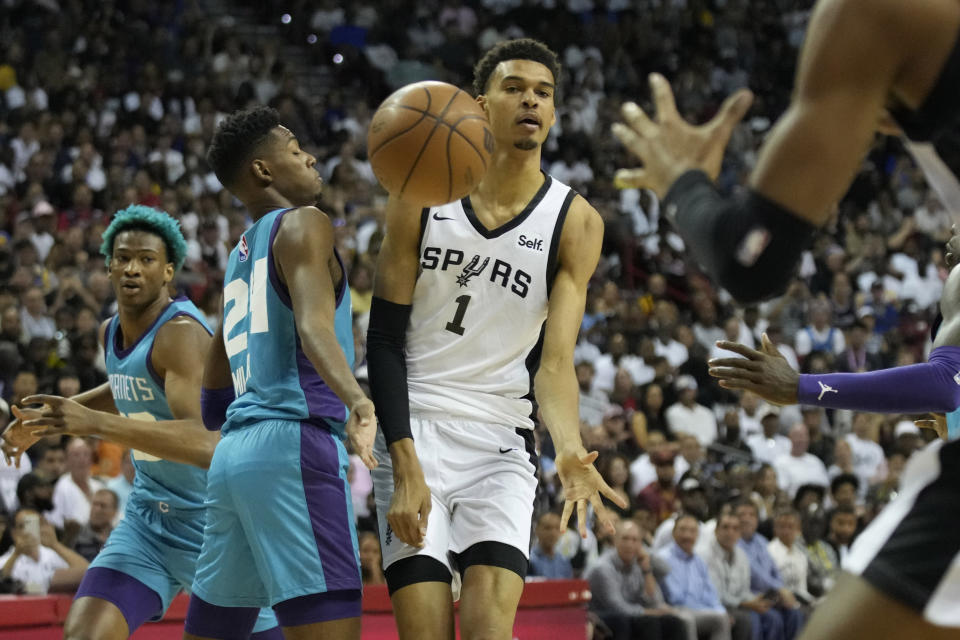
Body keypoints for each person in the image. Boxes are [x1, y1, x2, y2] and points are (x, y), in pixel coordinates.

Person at [366, 38, 624, 640]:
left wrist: (567, 449)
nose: (530, 100)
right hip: (417, 426)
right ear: (480, 105)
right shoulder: (419, 193)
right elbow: (383, 339)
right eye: (514, 88)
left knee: (489, 631)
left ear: (554, 114)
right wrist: (402, 460)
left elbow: (555, 364)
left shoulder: (576, 221)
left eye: (543, 92)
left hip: (501, 444)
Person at [3, 205, 282, 639]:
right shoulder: (110, 329)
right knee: (84, 634)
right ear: (109, 264)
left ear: (168, 271)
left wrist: (91, 422)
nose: (132, 269)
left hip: (217, 526)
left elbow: (207, 441)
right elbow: (129, 384)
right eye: (123, 257)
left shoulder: (182, 335)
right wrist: (52, 417)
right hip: (148, 523)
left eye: (146, 260)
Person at [182, 106, 378, 640]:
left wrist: (237, 429)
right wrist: (358, 402)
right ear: (264, 171)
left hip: (235, 460)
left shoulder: (238, 255)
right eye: (295, 150)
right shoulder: (306, 222)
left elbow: (215, 377)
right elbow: (315, 328)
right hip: (294, 444)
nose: (311, 156)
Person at [703, 512, 803, 640]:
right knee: (751, 618)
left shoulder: (741, 555)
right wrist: (747, 603)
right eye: (725, 527)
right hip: (717, 606)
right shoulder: (706, 555)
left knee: (774, 616)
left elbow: (744, 590)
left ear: (739, 533)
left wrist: (756, 600)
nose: (730, 532)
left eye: (735, 528)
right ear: (716, 531)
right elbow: (717, 596)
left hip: (740, 603)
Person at [586, 520, 686, 640]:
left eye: (635, 540)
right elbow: (618, 607)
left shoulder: (637, 563)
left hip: (630, 615)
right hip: (600, 616)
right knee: (648, 621)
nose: (629, 544)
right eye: (625, 539)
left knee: (674, 622)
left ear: (640, 544)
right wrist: (652, 612)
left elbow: (655, 600)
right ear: (615, 541)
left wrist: (647, 569)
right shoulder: (602, 568)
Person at [658, 514, 738, 640]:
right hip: (673, 610)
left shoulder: (698, 561)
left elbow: (711, 594)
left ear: (698, 535)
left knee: (722, 618)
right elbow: (674, 598)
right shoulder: (663, 558)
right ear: (673, 533)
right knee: (687, 619)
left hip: (698, 611)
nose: (687, 536)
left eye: (692, 531)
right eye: (683, 530)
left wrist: (721, 611)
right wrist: (708, 610)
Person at [0, 508, 88, 594]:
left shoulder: (53, 555)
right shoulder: (5, 561)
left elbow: (88, 573)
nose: (29, 530)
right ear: (14, 533)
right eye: (23, 526)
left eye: (36, 524)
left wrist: (55, 545)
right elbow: (2, 579)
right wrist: (16, 555)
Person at [71, 488, 118, 562]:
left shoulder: (119, 540)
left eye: (103, 506)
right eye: (95, 504)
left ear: (114, 511)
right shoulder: (76, 534)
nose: (97, 509)